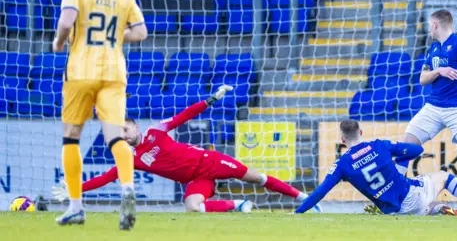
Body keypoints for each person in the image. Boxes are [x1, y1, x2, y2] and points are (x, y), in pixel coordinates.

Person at [53, 86, 320, 214]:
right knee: (193, 207)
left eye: (125, 130)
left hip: (210, 162)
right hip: (195, 179)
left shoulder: (157, 130)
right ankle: (238, 205)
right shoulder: (131, 159)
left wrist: (211, 99)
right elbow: (104, 178)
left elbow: (185, 115)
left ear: (134, 127)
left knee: (258, 178)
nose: (123, 135)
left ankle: (303, 198)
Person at [53, 0, 148, 229]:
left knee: (71, 138)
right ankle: (128, 187)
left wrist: (58, 42)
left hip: (81, 69)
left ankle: (75, 207)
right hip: (114, 72)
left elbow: (67, 20)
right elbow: (141, 32)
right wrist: (117, 35)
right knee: (116, 138)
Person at [295, 120, 457, 216]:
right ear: (361, 132)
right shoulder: (379, 145)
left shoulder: (342, 164)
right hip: (411, 196)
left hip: (392, 212)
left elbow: (320, 192)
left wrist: (298, 212)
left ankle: (439, 210)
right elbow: (417, 149)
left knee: (423, 205)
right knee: (443, 177)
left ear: (342, 140)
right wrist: (395, 158)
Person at [395, 9, 457, 198]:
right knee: (405, 147)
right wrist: (439, 71)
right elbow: (422, 78)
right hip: (432, 108)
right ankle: (392, 197)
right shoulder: (433, 48)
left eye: (430, 25)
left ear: (435, 24)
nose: (428, 29)